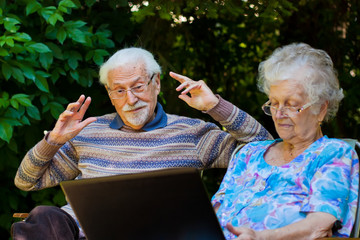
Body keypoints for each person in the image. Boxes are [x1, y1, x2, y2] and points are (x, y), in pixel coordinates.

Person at [11, 47, 271, 239]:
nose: (130, 99)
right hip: (83, 234)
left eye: (137, 87)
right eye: (119, 90)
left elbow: (263, 148)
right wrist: (53, 141)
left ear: (156, 83)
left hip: (159, 234)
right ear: (110, 95)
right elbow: (26, 181)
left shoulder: (192, 133)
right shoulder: (87, 133)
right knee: (44, 216)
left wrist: (215, 106)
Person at [211, 43, 359, 239]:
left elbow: (319, 227)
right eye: (273, 103)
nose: (279, 114)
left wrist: (260, 237)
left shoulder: (333, 153)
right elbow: (211, 215)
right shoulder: (249, 153)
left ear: (321, 109)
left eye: (291, 105)